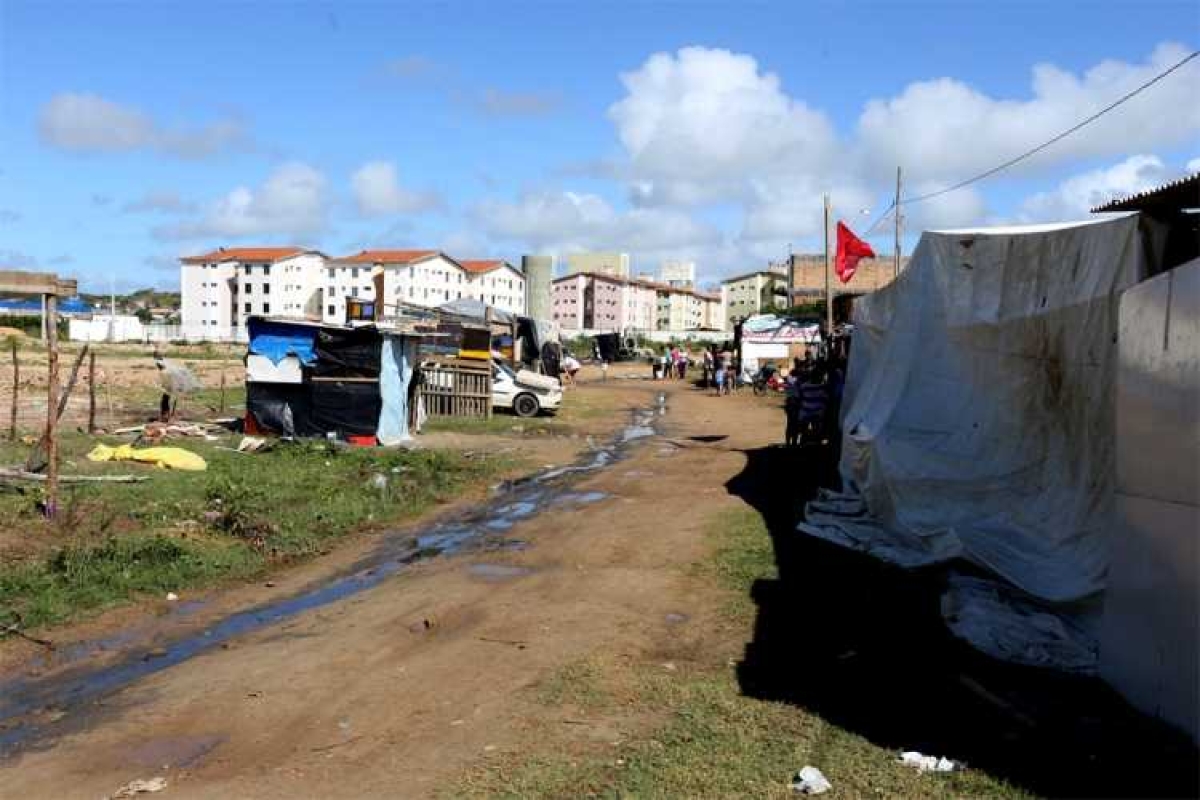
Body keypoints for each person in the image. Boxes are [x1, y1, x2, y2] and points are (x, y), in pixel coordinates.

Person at [799, 364, 829, 444]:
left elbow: (801, 398)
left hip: (806, 413)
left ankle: (802, 447)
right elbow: (826, 399)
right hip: (817, 414)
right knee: (817, 434)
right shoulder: (823, 387)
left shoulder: (804, 386)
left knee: (804, 433)